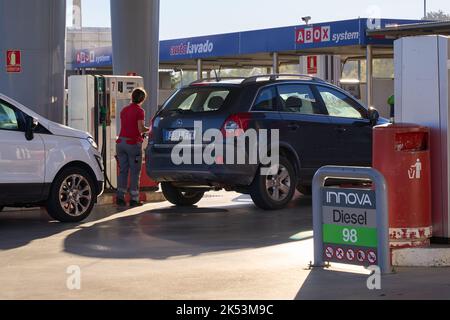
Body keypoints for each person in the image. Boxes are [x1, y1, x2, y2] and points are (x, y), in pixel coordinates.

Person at [116, 88, 149, 207]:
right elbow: (140, 128)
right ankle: (134, 199)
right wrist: (149, 129)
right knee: (135, 172)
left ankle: (120, 197)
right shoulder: (140, 111)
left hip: (120, 143)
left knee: (123, 171)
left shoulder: (124, 110)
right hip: (133, 144)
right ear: (142, 99)